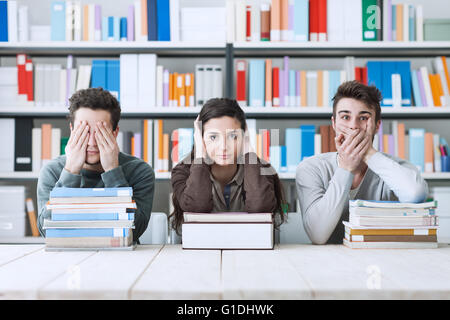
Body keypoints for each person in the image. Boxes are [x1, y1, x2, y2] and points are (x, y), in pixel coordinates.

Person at [295, 80, 428, 245]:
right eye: (345, 117)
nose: (354, 126)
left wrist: (368, 154)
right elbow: (317, 235)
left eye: (363, 118)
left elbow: (415, 194)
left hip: (385, 259)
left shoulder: (399, 169)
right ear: (334, 124)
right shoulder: (310, 168)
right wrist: (345, 167)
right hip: (328, 263)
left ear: (377, 125)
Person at [37, 88, 155, 242]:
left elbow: (135, 229)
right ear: (72, 130)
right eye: (84, 131)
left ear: (114, 133)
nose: (92, 143)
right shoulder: (52, 171)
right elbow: (46, 229)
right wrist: (71, 170)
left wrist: (113, 171)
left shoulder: (139, 171)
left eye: (100, 132)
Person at [170, 98, 287, 234]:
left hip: (252, 250)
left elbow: (260, 207)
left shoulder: (263, 170)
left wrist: (248, 149)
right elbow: (197, 207)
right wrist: (200, 152)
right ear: (200, 138)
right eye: (213, 137)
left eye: (233, 136)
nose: (224, 147)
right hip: (200, 251)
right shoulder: (182, 171)